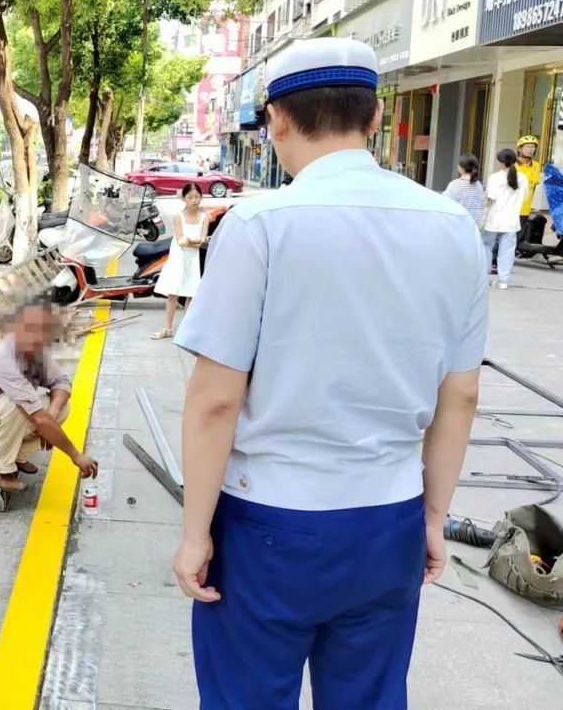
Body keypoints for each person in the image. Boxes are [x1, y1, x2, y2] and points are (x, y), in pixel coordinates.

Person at [172, 38, 487, 709]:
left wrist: (196, 533)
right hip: (388, 519)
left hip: (269, 521)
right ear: (375, 117)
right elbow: (460, 393)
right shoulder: (452, 226)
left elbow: (215, 402)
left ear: (276, 120)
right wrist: (433, 519)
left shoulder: (259, 224)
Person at [0, 297, 98, 492]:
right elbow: (37, 417)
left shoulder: (34, 351)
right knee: (20, 406)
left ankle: (16, 456)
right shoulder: (4, 360)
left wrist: (51, 415)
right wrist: (76, 455)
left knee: (60, 406)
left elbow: (62, 382)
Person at [152, 183, 206, 340]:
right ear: (184, 198)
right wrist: (193, 242)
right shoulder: (178, 216)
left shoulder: (204, 218)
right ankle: (167, 328)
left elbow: (202, 240)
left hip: (193, 259)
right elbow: (181, 240)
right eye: (190, 197)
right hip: (178, 259)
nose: (194, 200)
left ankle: (186, 330)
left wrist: (190, 241)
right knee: (172, 294)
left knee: (191, 294)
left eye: (197, 197)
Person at [483, 147, 529, 290]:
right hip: (512, 221)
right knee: (507, 251)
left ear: (501, 162)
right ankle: (503, 281)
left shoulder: (495, 177)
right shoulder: (523, 178)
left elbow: (490, 198)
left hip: (493, 220)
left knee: (487, 247)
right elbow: (525, 197)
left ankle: (483, 278)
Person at [443, 153, 485, 224]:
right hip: (474, 225)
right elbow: (482, 205)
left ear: (461, 167)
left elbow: (445, 203)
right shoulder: (479, 185)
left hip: (458, 224)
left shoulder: (454, 184)